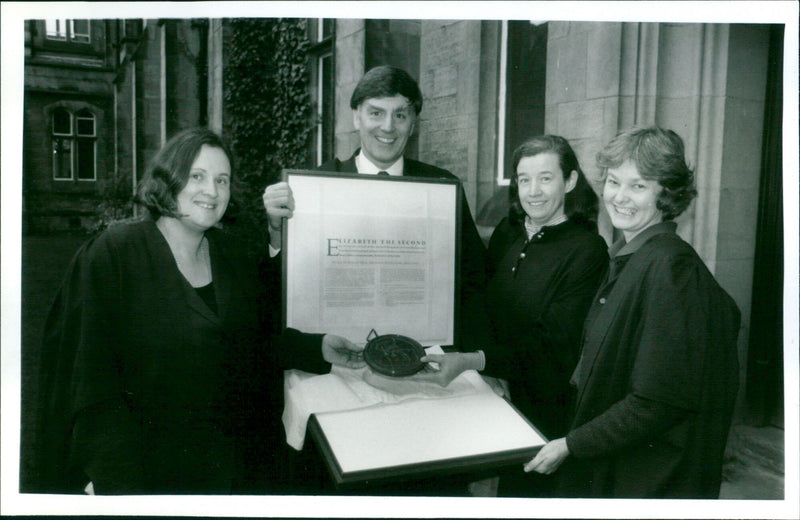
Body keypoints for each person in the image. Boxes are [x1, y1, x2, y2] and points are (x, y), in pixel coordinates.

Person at [31, 128, 364, 495]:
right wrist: (117, 483)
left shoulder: (231, 256)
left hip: (230, 469)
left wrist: (317, 348)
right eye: (197, 176)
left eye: (222, 180)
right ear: (169, 178)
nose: (212, 191)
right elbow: (90, 380)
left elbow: (253, 343)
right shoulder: (114, 255)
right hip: (148, 471)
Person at [525, 126, 741, 499]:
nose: (620, 198)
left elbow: (657, 402)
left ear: (666, 195)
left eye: (638, 186)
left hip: (645, 480)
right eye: (613, 182)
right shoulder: (635, 257)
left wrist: (572, 445)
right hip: (619, 462)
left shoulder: (671, 268)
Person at [412, 135, 608, 497]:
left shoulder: (587, 250)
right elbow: (481, 304)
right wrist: (487, 370)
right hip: (489, 391)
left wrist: (480, 361)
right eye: (524, 179)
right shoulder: (508, 232)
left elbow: (555, 345)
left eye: (546, 178)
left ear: (570, 181)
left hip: (542, 409)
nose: (533, 191)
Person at [262, 64, 486, 309]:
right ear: (357, 118)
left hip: (420, 341)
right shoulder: (315, 188)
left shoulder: (443, 189)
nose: (388, 126)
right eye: (376, 113)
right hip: (333, 340)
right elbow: (280, 291)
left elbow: (476, 279)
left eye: (400, 115)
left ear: (413, 124)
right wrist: (277, 233)